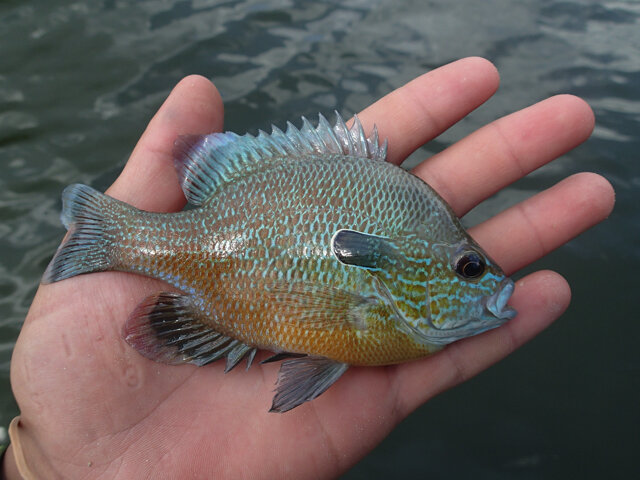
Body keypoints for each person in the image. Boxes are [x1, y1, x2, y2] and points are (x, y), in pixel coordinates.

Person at [2, 57, 614, 479]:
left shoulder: (387, 311)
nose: (489, 285)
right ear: (401, 269)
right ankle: (111, 237)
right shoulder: (383, 311)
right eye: (468, 267)